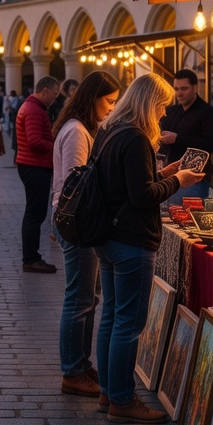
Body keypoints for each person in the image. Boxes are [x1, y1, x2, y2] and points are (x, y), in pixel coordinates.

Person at [94, 73, 204, 423]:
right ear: (147, 104)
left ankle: (108, 392)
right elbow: (142, 197)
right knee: (128, 323)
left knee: (111, 316)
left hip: (107, 236)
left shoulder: (110, 131)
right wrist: (178, 180)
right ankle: (123, 400)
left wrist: (165, 172)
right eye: (160, 107)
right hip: (131, 240)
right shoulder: (137, 138)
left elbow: (127, 185)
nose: (162, 115)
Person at [50, 70, 121, 400]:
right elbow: (76, 183)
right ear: (92, 98)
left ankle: (79, 363)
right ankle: (72, 371)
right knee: (79, 298)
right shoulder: (78, 132)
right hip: (78, 222)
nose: (111, 107)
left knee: (86, 297)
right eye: (108, 101)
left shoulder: (79, 127)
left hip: (77, 221)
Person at [16, 76, 61, 273]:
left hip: (32, 166)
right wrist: (57, 147)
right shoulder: (34, 110)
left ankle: (31, 257)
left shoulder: (33, 107)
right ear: (43, 90)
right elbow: (34, 141)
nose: (55, 98)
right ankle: (31, 258)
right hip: (34, 167)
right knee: (35, 214)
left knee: (33, 213)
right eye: (54, 94)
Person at [158, 69, 213, 200]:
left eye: (184, 89)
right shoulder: (171, 111)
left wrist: (177, 138)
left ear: (195, 88)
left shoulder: (207, 112)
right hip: (171, 176)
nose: (179, 93)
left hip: (194, 179)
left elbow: (212, 143)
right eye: (176, 89)